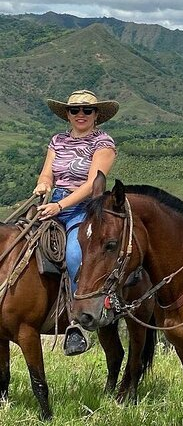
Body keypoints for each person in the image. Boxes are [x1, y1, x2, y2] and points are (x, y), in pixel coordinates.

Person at [33, 89, 118, 356]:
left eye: (87, 110)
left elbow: (94, 183)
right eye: (74, 110)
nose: (80, 115)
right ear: (67, 114)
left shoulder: (103, 143)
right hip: (52, 203)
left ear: (96, 115)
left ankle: (75, 323)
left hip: (84, 207)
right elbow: (47, 174)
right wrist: (43, 186)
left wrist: (61, 205)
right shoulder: (57, 140)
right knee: (16, 243)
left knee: (73, 255)